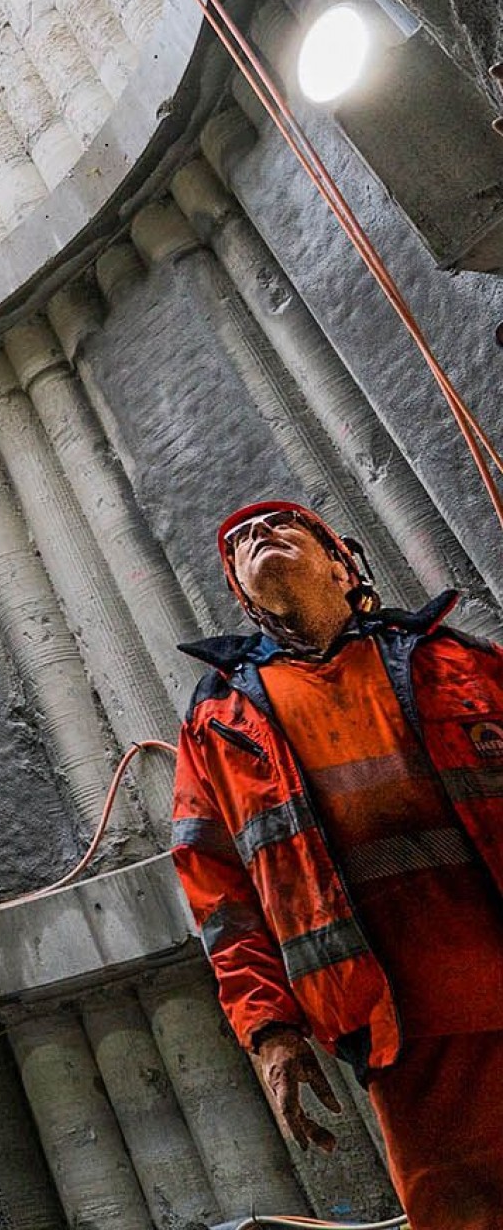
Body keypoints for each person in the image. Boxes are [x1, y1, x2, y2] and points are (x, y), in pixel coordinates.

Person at [172, 499, 503, 1228]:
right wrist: (268, 1028)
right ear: (244, 599)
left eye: (281, 525)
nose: (256, 535)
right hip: (402, 1033)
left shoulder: (461, 662)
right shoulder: (218, 724)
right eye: (238, 546)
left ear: (340, 563)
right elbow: (218, 898)